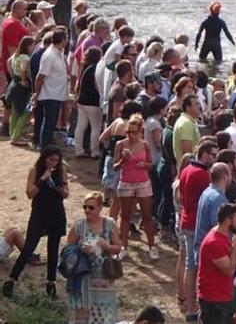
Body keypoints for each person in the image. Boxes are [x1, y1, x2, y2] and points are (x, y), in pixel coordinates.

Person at [2, 146, 69, 299]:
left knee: (53, 250)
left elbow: (66, 194)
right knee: (28, 248)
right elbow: (29, 194)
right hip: (39, 213)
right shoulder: (35, 171)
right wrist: (42, 179)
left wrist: (57, 187)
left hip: (56, 213)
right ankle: (11, 280)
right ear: (44, 158)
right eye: (51, 159)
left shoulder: (61, 171)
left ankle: (51, 283)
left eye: (57, 160)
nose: (54, 163)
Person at [66, 191, 123, 324]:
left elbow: (119, 247)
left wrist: (107, 247)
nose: (87, 210)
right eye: (85, 207)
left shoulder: (109, 224)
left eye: (91, 207)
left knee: (104, 316)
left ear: (99, 208)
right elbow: (67, 249)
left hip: (104, 280)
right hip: (83, 280)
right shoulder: (79, 226)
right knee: (82, 317)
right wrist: (80, 249)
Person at [179, 142, 218, 323]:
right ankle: (194, 306)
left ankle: (190, 307)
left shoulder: (186, 169)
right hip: (196, 224)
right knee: (195, 266)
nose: (214, 158)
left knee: (189, 264)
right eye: (212, 154)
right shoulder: (202, 175)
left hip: (186, 219)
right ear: (203, 153)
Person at [114, 114, 159, 260]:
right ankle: (123, 246)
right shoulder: (120, 145)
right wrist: (123, 160)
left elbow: (151, 164)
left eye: (134, 132)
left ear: (140, 132)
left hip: (142, 182)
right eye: (129, 132)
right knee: (126, 216)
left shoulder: (145, 145)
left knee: (147, 216)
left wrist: (145, 165)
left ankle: (152, 246)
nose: (131, 135)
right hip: (126, 182)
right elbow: (115, 166)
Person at [197, 203, 236, 324]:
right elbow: (229, 271)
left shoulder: (223, 235)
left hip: (222, 296)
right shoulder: (214, 242)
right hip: (214, 300)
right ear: (228, 221)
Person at [32, 28, 69, 149]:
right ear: (62, 40)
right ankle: (44, 147)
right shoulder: (50, 55)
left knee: (50, 122)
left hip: (55, 93)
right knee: (48, 122)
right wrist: (37, 94)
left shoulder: (58, 52)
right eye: (66, 38)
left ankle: (44, 145)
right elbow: (40, 76)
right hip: (49, 94)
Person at [194, 164, 233, 264]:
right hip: (213, 253)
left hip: (203, 247)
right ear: (225, 177)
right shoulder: (219, 199)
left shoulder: (207, 192)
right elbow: (219, 228)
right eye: (230, 174)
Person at [75, 46, 104, 157]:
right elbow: (98, 87)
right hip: (93, 102)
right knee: (96, 127)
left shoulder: (85, 67)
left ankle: (78, 150)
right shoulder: (96, 69)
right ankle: (94, 151)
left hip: (82, 101)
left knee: (81, 125)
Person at [6, 35, 33, 146]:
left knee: (15, 112)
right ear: (28, 46)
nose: (33, 47)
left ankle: (13, 136)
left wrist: (14, 77)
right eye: (32, 45)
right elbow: (23, 69)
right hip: (22, 87)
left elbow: (8, 63)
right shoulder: (25, 58)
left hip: (13, 85)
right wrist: (23, 80)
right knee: (26, 112)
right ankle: (15, 137)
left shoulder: (15, 56)